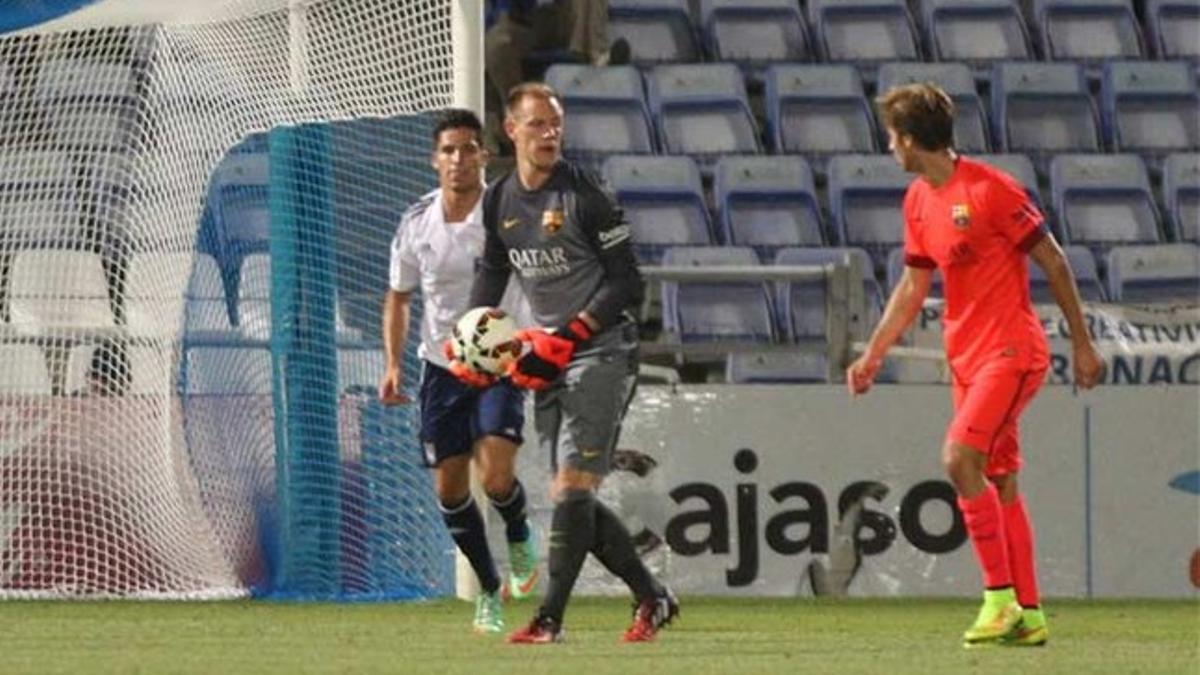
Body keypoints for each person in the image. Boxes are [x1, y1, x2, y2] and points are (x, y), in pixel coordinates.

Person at [846, 83, 1105, 648]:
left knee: (959, 458)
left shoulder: (991, 191)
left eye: (892, 136)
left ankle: (997, 600)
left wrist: (1082, 343)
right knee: (1002, 479)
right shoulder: (917, 201)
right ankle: (1029, 614)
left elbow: (1054, 262)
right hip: (966, 358)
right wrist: (873, 353)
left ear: (910, 140)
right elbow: (914, 286)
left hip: (1011, 352)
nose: (890, 147)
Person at [454, 82, 677, 644]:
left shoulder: (585, 194)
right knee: (568, 495)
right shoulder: (500, 199)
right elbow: (493, 270)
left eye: (555, 124)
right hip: (548, 353)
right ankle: (652, 596)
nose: (549, 134)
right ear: (511, 130)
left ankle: (549, 618)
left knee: (573, 488)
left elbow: (628, 280)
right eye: (537, 125)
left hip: (602, 348)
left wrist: (573, 333)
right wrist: (471, 334)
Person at [378, 108, 538, 635]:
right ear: (434, 159)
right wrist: (394, 364)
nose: (459, 159)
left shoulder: (506, 211)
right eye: (449, 150)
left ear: (483, 156)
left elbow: (542, 274)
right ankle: (488, 591)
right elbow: (399, 297)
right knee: (449, 491)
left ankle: (517, 528)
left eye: (469, 148)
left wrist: (535, 338)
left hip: (498, 362)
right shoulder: (415, 221)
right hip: (442, 368)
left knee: (495, 477)